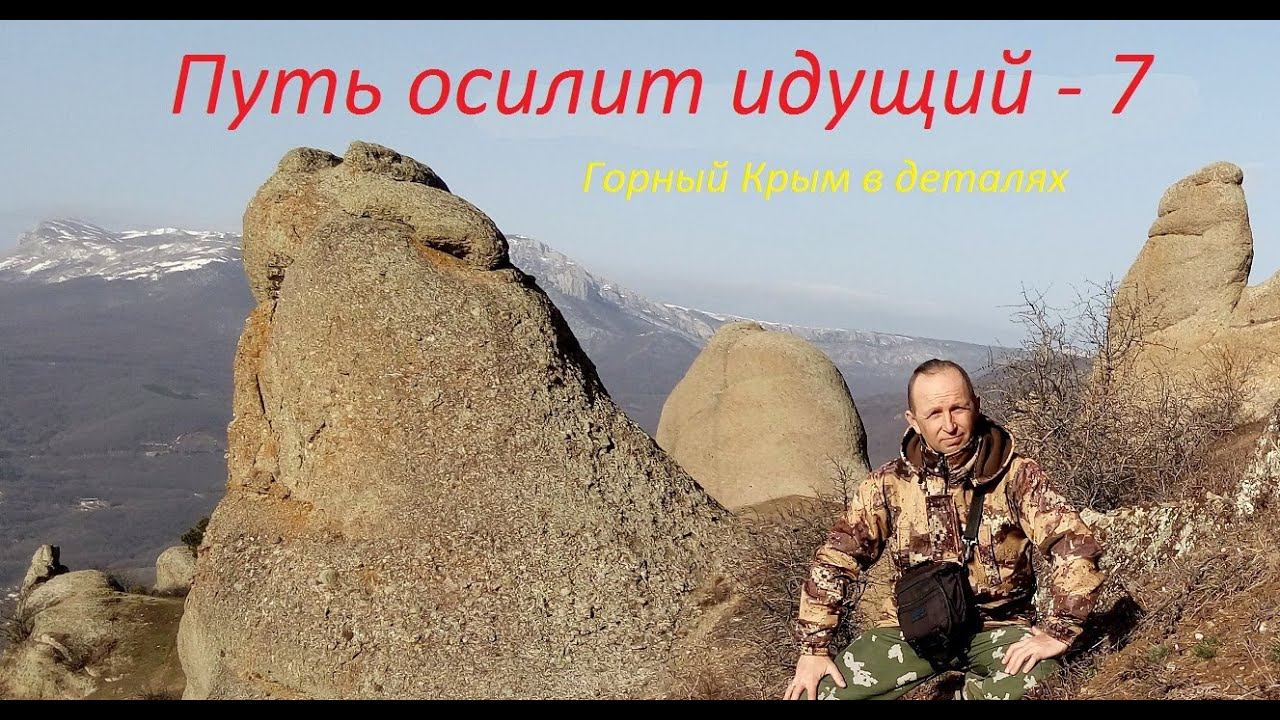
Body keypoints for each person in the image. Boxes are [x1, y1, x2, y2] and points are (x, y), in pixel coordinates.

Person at [782, 358, 1107, 700]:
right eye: (935, 413)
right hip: (913, 630)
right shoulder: (888, 484)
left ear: (976, 406)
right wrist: (814, 649)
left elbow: (1074, 546)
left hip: (997, 628)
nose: (949, 425)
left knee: (1037, 680)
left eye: (958, 408)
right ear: (914, 421)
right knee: (812, 694)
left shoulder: (1016, 476)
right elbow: (836, 559)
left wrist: (1058, 630)